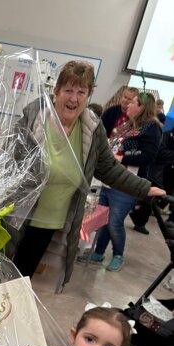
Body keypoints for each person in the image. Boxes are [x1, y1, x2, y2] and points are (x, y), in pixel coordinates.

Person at [11, 63, 164, 286]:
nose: (74, 98)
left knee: (20, 281)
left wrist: (144, 187)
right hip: (17, 216)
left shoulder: (91, 128)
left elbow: (108, 168)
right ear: (56, 91)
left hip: (49, 222)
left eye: (81, 92)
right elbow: (9, 160)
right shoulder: (34, 118)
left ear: (88, 95)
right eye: (68, 90)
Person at [77, 92, 162, 271]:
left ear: (141, 108)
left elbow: (149, 156)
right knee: (104, 219)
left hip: (128, 182)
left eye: (133, 102)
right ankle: (98, 252)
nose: (128, 105)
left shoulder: (152, 128)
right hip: (111, 180)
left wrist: (122, 158)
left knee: (115, 222)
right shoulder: (129, 125)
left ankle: (118, 255)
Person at [129, 116, 174, 233]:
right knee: (147, 198)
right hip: (156, 172)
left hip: (163, 174)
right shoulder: (165, 135)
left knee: (150, 199)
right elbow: (159, 153)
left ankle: (139, 219)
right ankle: (138, 221)